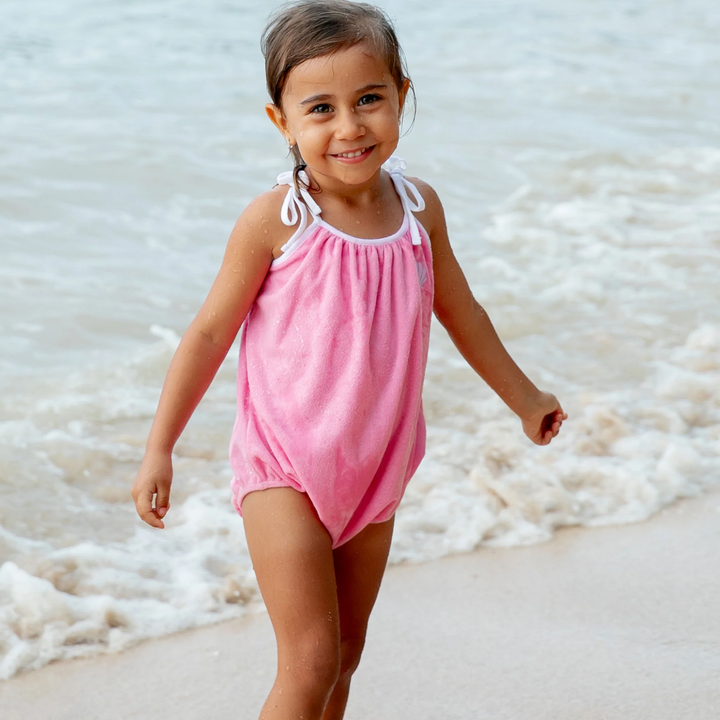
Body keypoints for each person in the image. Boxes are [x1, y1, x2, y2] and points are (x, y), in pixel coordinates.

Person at [131, 1, 567, 718]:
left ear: (402, 94)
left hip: (376, 465)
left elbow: (461, 310)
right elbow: (209, 334)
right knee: (308, 662)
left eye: (370, 99)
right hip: (286, 467)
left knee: (347, 657)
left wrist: (525, 398)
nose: (349, 126)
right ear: (283, 123)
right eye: (321, 109)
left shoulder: (419, 208)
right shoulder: (278, 220)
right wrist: (159, 448)